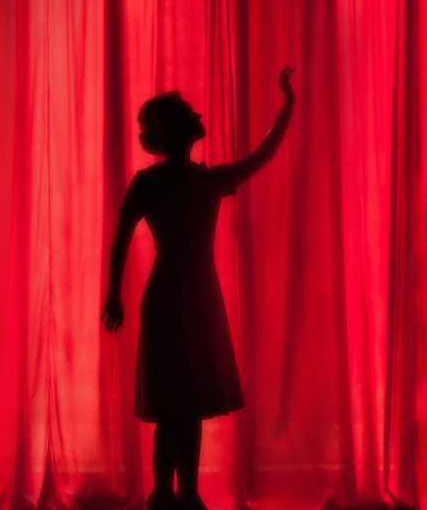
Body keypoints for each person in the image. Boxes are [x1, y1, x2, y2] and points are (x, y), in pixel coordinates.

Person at [103, 66, 296, 510]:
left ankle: (183, 493)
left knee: (188, 405)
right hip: (176, 299)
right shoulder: (167, 182)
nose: (198, 114)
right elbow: (120, 239)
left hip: (195, 297)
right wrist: (113, 293)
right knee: (177, 405)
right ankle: (164, 495)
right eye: (189, 112)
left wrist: (288, 104)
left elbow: (263, 155)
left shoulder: (193, 180)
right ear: (174, 129)